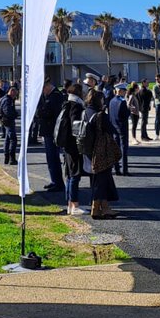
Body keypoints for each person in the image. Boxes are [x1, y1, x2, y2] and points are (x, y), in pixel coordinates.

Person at [83, 87, 120, 218]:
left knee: (97, 180)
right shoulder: (100, 115)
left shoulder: (85, 112)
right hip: (101, 151)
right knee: (103, 178)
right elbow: (111, 130)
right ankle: (97, 207)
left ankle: (102, 206)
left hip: (88, 150)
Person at [54, 79, 88, 215]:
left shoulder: (67, 103)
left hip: (66, 144)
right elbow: (76, 125)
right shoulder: (76, 106)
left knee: (69, 174)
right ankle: (75, 205)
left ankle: (69, 204)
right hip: (73, 145)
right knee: (75, 174)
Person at [34, 78, 66, 192]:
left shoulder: (56, 96)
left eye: (43, 89)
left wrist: (39, 111)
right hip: (48, 130)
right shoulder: (49, 96)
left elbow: (48, 112)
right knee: (50, 158)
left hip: (52, 131)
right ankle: (54, 180)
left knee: (53, 157)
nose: (43, 92)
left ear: (47, 86)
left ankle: (58, 183)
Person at [108, 83, 131, 175]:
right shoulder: (122, 102)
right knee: (123, 149)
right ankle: (124, 169)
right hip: (122, 128)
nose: (125, 93)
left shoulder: (111, 101)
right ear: (120, 91)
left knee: (115, 148)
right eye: (124, 91)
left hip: (114, 127)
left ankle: (117, 168)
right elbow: (125, 116)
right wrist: (129, 110)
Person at [0, 85, 20, 166]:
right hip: (8, 121)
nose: (15, 95)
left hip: (6, 121)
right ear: (12, 92)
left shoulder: (6, 99)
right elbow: (8, 112)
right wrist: (15, 114)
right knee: (13, 139)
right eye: (15, 93)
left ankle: (7, 157)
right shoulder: (7, 100)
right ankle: (11, 158)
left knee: (7, 139)